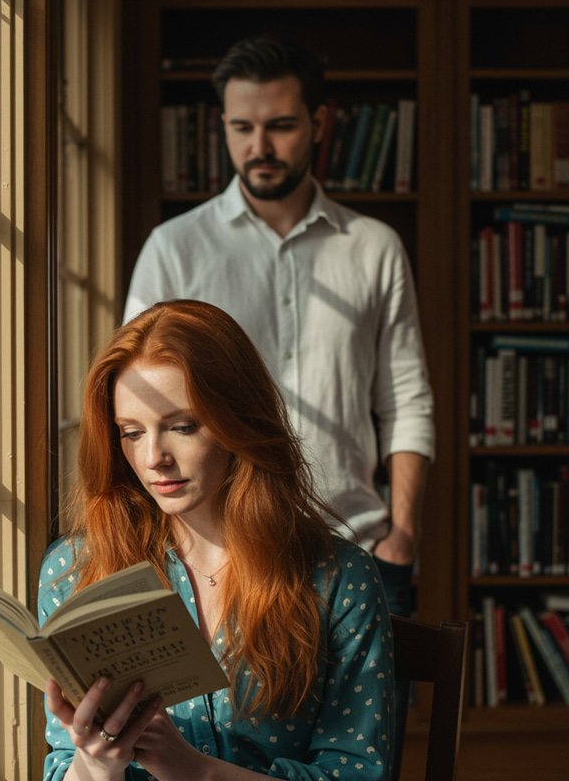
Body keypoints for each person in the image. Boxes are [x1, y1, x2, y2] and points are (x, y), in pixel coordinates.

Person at [123, 35, 434, 776]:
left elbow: (407, 398)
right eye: (242, 127)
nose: (258, 146)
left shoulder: (374, 247)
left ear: (320, 122)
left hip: (351, 555)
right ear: (223, 127)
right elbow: (135, 394)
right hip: (208, 558)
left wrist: (402, 537)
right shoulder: (174, 247)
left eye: (280, 125)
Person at [39, 299, 394, 781]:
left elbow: (355, 773)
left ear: (238, 423)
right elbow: (63, 763)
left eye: (182, 427)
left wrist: (195, 771)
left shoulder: (336, 577)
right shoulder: (75, 570)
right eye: (131, 433)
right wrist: (95, 766)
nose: (153, 457)